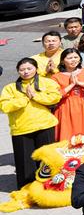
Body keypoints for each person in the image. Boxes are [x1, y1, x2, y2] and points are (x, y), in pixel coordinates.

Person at [2, 57, 63, 186]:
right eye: (22, 69)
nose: (26, 72)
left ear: (36, 69)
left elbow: (55, 97)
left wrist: (36, 96)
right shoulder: (10, 88)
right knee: (25, 163)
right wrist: (24, 99)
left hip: (45, 125)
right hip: (21, 128)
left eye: (29, 68)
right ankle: (27, 189)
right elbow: (4, 106)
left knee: (47, 159)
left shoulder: (47, 82)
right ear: (18, 71)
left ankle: (50, 187)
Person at [52, 48, 84, 141]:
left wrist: (81, 84)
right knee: (67, 134)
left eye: (76, 57)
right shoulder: (56, 76)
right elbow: (56, 95)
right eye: (70, 58)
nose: (73, 60)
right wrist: (72, 85)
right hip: (66, 107)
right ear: (62, 61)